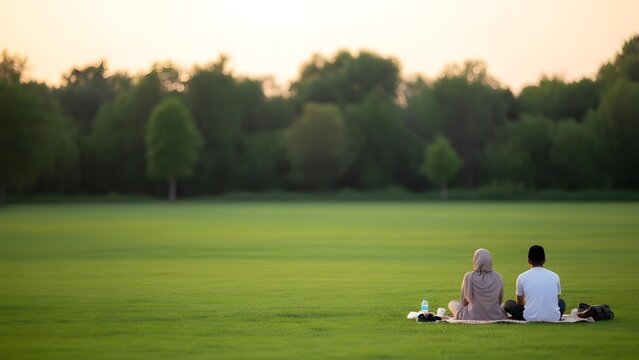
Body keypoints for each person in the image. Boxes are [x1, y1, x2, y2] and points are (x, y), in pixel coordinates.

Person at [503, 245, 566, 321]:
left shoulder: (522, 277)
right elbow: (557, 300)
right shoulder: (555, 276)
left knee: (508, 303)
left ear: (529, 261)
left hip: (529, 317)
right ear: (544, 260)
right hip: (554, 317)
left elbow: (520, 303)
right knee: (562, 303)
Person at [448, 248, 507, 320]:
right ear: (490, 261)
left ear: (475, 260)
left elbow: (464, 302)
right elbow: (499, 301)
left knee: (452, 303)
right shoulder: (498, 277)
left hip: (471, 315)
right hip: (496, 315)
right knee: (505, 305)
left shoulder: (468, 276)